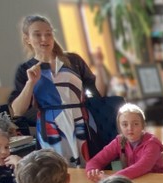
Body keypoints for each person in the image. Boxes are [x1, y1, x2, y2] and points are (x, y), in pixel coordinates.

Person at [9, 15, 106, 167]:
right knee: (59, 170)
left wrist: (99, 66)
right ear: (27, 39)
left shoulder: (73, 60)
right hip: (51, 128)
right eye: (37, 34)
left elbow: (98, 93)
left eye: (48, 34)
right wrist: (31, 83)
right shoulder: (25, 69)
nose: (44, 39)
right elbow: (17, 111)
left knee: (92, 167)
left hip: (82, 122)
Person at [84, 103, 163, 181]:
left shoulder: (152, 144)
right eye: (124, 124)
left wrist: (112, 178)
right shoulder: (119, 141)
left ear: (143, 125)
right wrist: (92, 170)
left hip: (157, 182)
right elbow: (96, 160)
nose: (130, 128)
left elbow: (142, 167)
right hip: (135, 181)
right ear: (119, 127)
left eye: (135, 124)